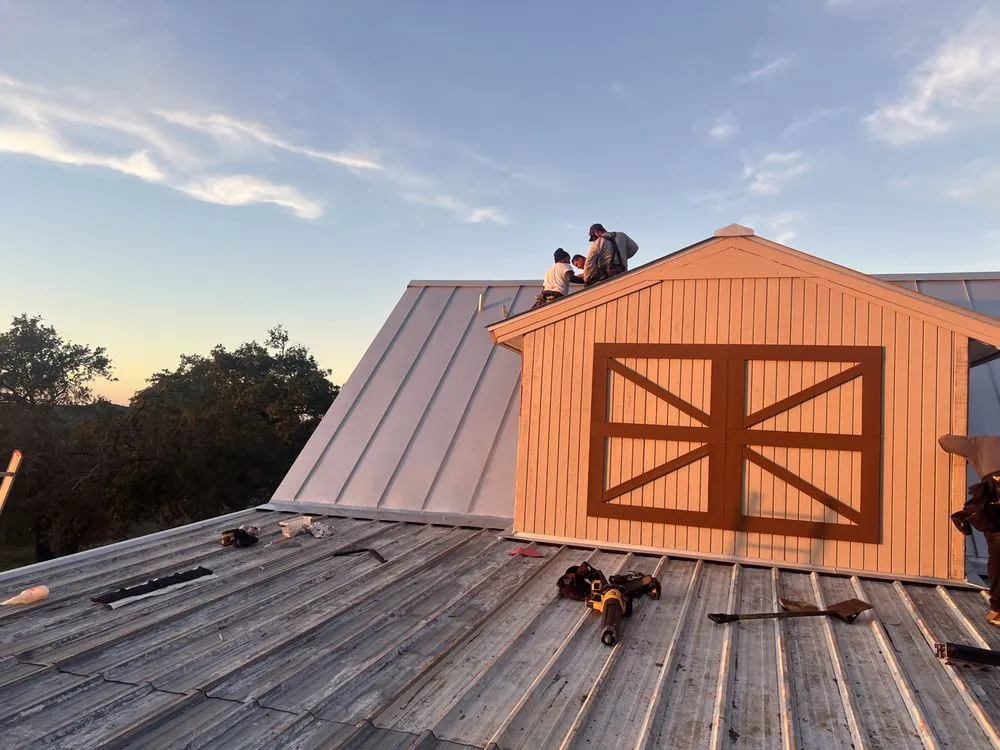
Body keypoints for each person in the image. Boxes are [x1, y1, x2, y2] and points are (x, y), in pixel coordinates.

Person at [938, 433, 1000, 627]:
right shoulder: (984, 443)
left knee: (998, 554)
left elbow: (945, 441)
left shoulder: (983, 443)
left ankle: (997, 610)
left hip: (994, 508)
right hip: (995, 506)